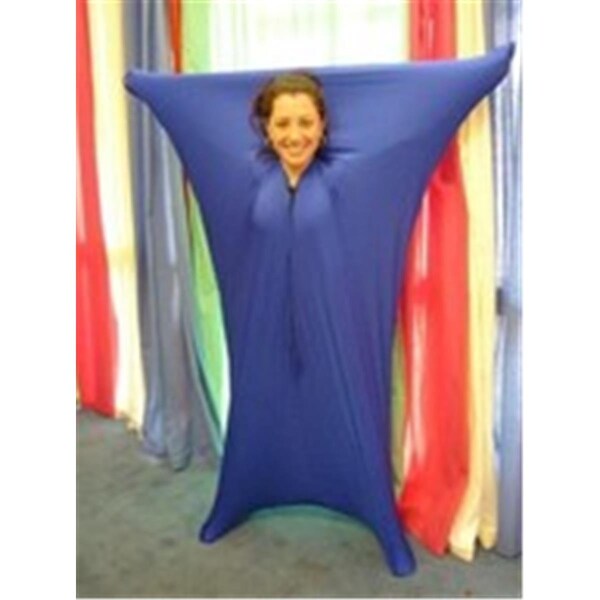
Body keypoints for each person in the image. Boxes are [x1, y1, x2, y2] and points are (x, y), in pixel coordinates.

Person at [251, 72, 328, 191]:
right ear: (268, 129)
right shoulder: (246, 185)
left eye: (306, 123)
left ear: (321, 126)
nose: (294, 137)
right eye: (282, 124)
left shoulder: (347, 185)